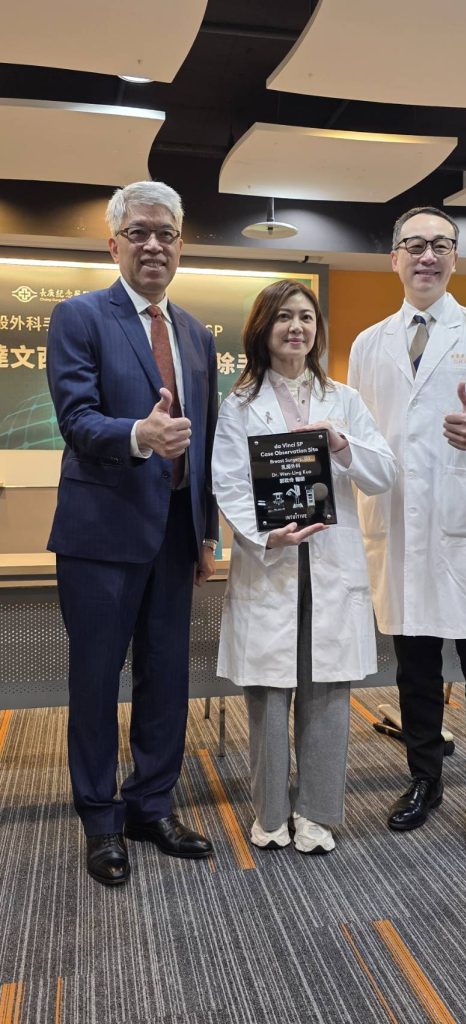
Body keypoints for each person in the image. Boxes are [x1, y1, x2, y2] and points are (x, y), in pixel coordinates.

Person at [47, 181, 218, 885]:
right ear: (113, 243)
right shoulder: (80, 316)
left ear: (180, 245)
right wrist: (139, 435)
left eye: (166, 234)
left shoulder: (197, 335)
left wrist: (205, 534)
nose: (154, 245)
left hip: (175, 538)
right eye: (140, 232)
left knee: (166, 680)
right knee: (95, 681)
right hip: (100, 538)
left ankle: (151, 805)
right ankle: (100, 819)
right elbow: (76, 418)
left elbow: (205, 443)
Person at [348, 206, 466, 851]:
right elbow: (359, 430)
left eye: (440, 245)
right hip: (399, 524)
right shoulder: (368, 343)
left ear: (455, 258)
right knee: (416, 670)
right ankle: (424, 778)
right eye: (414, 245)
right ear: (394, 258)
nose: (427, 255)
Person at [212, 280, 396, 854]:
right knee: (269, 694)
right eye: (284, 317)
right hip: (272, 561)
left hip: (331, 566)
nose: (297, 327)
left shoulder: (343, 400)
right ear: (262, 328)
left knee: (328, 694)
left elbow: (383, 473)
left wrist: (341, 445)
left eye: (307, 317)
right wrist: (267, 533)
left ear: (318, 329)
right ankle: (270, 814)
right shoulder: (240, 404)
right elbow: (228, 481)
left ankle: (316, 813)